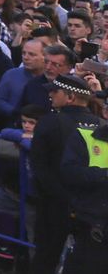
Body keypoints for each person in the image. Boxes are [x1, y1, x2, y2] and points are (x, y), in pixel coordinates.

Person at [30, 72, 103, 274]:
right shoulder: (102, 125)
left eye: (55, 91)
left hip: (55, 205)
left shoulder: (49, 123)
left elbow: (39, 167)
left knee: (45, 258)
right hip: (91, 209)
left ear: (70, 97)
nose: (50, 95)